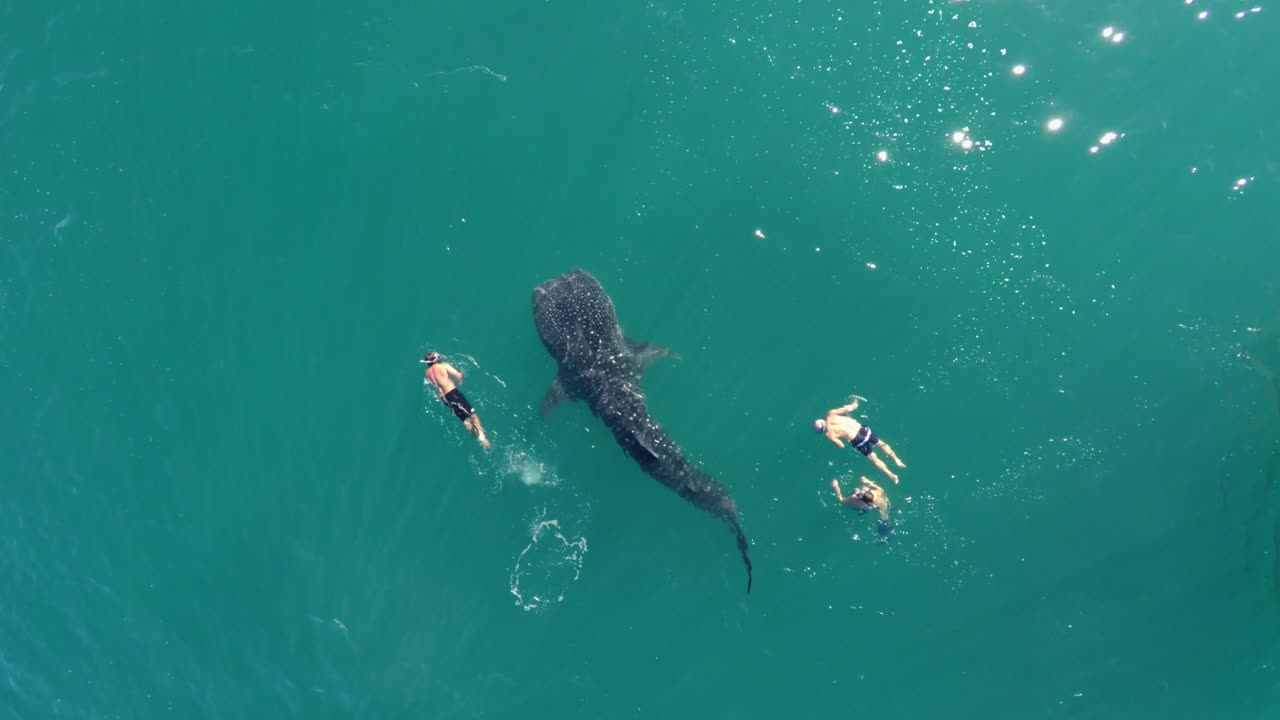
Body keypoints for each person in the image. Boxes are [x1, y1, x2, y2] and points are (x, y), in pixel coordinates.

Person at [813, 398, 905, 483]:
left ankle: (891, 475)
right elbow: (849, 408)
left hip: (858, 440)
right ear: (821, 420)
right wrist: (854, 403)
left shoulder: (830, 433)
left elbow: (841, 445)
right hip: (863, 430)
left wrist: (831, 439)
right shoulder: (831, 413)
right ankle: (897, 460)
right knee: (881, 444)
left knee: (874, 459)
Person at [422, 352, 490, 449]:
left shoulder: (427, 372)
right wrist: (460, 377)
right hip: (453, 394)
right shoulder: (443, 366)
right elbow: (458, 375)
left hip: (444, 398)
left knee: (465, 419)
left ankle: (475, 437)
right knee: (473, 415)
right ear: (436, 360)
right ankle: (483, 439)